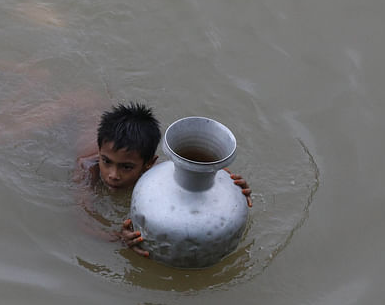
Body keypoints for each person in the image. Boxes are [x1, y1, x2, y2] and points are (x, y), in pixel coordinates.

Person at [75, 102, 252, 258]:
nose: (113, 174)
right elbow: (83, 221)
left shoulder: (159, 174)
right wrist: (117, 237)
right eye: (106, 161)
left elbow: (211, 171)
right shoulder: (87, 169)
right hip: (77, 113)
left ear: (149, 164)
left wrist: (232, 189)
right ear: (99, 153)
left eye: (126, 167)